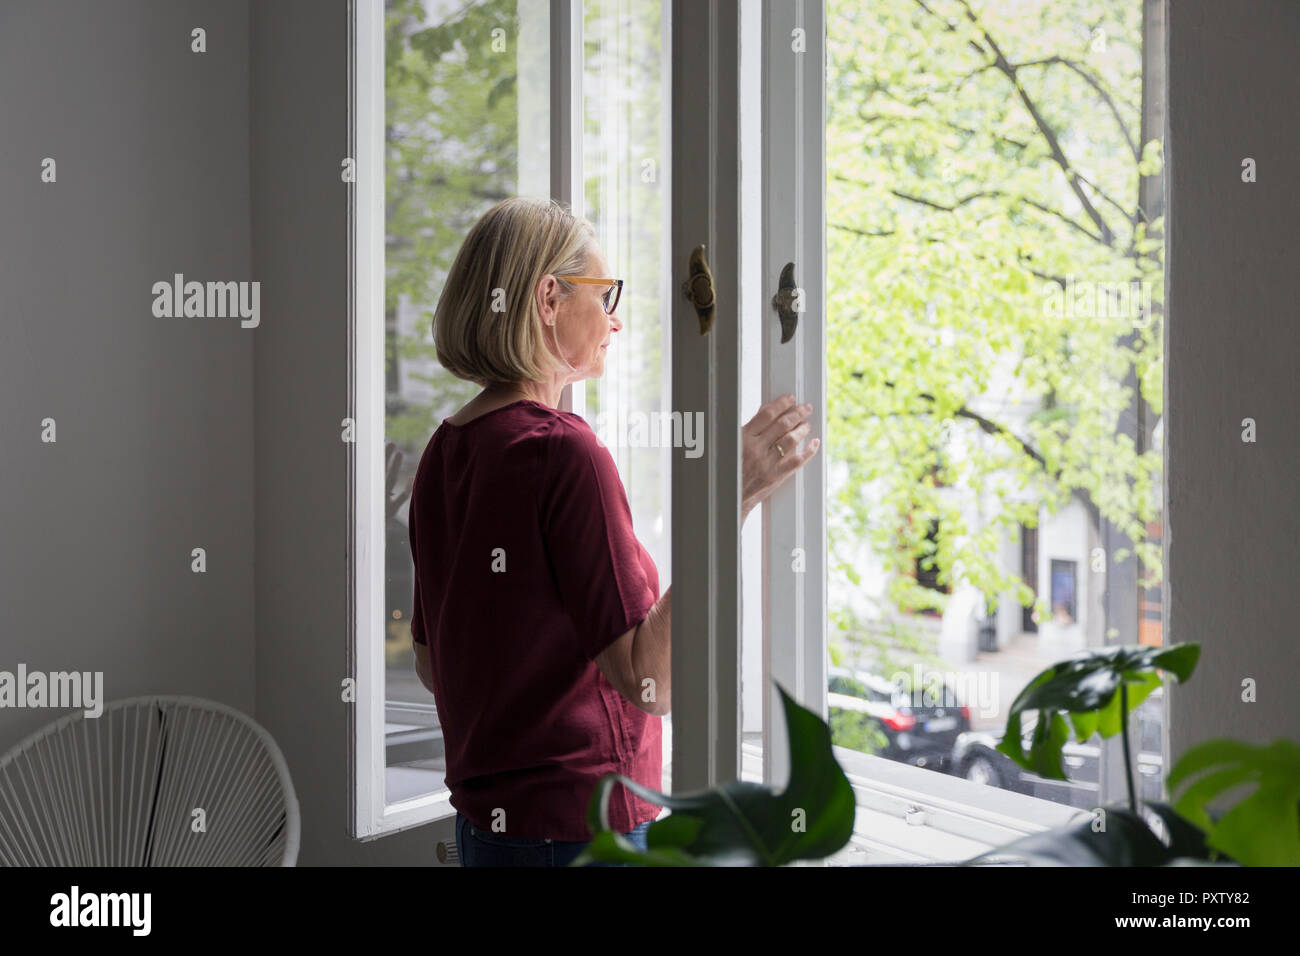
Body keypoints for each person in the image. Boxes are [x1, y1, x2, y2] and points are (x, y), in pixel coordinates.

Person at [408, 196, 819, 866]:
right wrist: (728, 499)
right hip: (580, 833)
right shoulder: (562, 450)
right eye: (605, 294)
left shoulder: (449, 447)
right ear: (547, 297)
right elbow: (651, 682)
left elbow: (432, 666)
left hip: (487, 833)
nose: (616, 320)